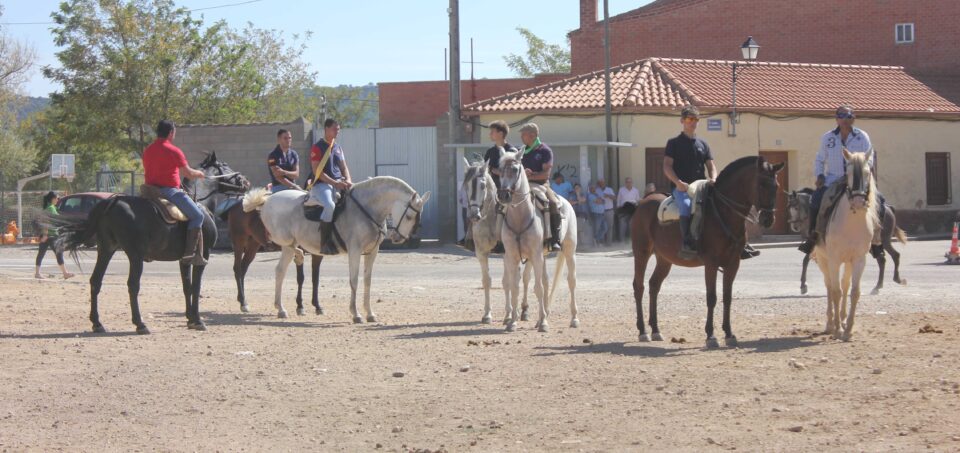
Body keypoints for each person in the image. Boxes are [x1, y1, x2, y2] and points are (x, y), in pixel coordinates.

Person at [798, 105, 883, 256]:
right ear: (836, 119)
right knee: (816, 200)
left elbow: (870, 158)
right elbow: (820, 160)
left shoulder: (862, 136)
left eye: (849, 117)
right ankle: (813, 236)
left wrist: (862, 169)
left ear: (853, 119)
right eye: (842, 117)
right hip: (834, 180)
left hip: (858, 181)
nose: (845, 121)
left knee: (881, 202)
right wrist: (820, 175)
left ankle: (877, 240)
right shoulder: (828, 138)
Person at [142, 119, 208, 265]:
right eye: (174, 132)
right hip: (168, 192)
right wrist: (200, 173)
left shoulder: (148, 150)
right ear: (171, 133)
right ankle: (189, 255)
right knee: (197, 216)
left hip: (149, 192)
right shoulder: (174, 151)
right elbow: (188, 174)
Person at [663, 106, 718, 258]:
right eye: (689, 119)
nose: (693, 122)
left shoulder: (703, 144)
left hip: (701, 187)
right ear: (682, 121)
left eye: (696, 119)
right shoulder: (673, 143)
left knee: (721, 204)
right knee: (686, 205)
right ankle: (687, 242)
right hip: (681, 188)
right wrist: (678, 182)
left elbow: (711, 166)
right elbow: (667, 167)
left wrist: (713, 178)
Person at [306, 118, 353, 255]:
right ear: (326, 129)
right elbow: (316, 172)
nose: (337, 131)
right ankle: (325, 242)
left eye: (338, 129)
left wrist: (348, 180)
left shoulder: (338, 147)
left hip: (339, 183)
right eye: (334, 129)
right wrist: (335, 183)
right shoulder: (317, 147)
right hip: (322, 184)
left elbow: (344, 167)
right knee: (329, 205)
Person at [519, 122, 562, 251]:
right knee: (503, 202)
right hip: (522, 185)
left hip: (541, 185)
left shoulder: (545, 151)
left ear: (532, 135)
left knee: (553, 203)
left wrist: (529, 176)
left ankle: (555, 238)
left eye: (524, 135)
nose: (521, 137)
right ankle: (501, 239)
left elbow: (545, 174)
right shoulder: (521, 150)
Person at [34, 191, 74, 280]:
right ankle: (65, 273)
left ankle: (37, 273)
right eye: (57, 198)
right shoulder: (51, 208)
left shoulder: (48, 207)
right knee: (59, 253)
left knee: (41, 253)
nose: (58, 200)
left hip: (48, 235)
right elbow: (46, 221)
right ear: (52, 198)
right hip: (51, 235)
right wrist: (45, 234)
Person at [483, 120, 517, 188]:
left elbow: (515, 172)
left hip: (508, 191)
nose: (490, 134)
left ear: (501, 134)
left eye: (492, 132)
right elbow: (484, 169)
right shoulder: (490, 152)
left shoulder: (512, 151)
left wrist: (499, 172)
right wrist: (491, 170)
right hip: (492, 190)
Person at [616, 177, 642, 241]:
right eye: (627, 182)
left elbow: (638, 200)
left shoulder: (636, 190)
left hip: (632, 209)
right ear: (625, 183)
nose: (629, 183)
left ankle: (631, 240)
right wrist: (618, 208)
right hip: (623, 209)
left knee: (632, 225)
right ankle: (622, 240)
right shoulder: (621, 190)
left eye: (630, 182)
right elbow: (618, 199)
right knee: (622, 225)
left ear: (632, 183)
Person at [587, 182, 607, 247]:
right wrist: (601, 200)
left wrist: (600, 200)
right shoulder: (590, 196)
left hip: (602, 214)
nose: (594, 189)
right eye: (592, 188)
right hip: (596, 214)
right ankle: (596, 242)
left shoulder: (597, 195)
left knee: (605, 228)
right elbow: (599, 201)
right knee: (597, 228)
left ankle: (596, 239)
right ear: (590, 189)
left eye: (594, 188)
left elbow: (604, 201)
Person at [597, 178, 616, 244]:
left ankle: (609, 243)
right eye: (600, 183)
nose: (601, 184)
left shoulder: (609, 189)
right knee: (601, 227)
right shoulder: (597, 190)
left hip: (609, 211)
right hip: (600, 212)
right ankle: (601, 242)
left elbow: (614, 198)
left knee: (609, 227)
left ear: (604, 183)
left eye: (602, 182)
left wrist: (608, 195)